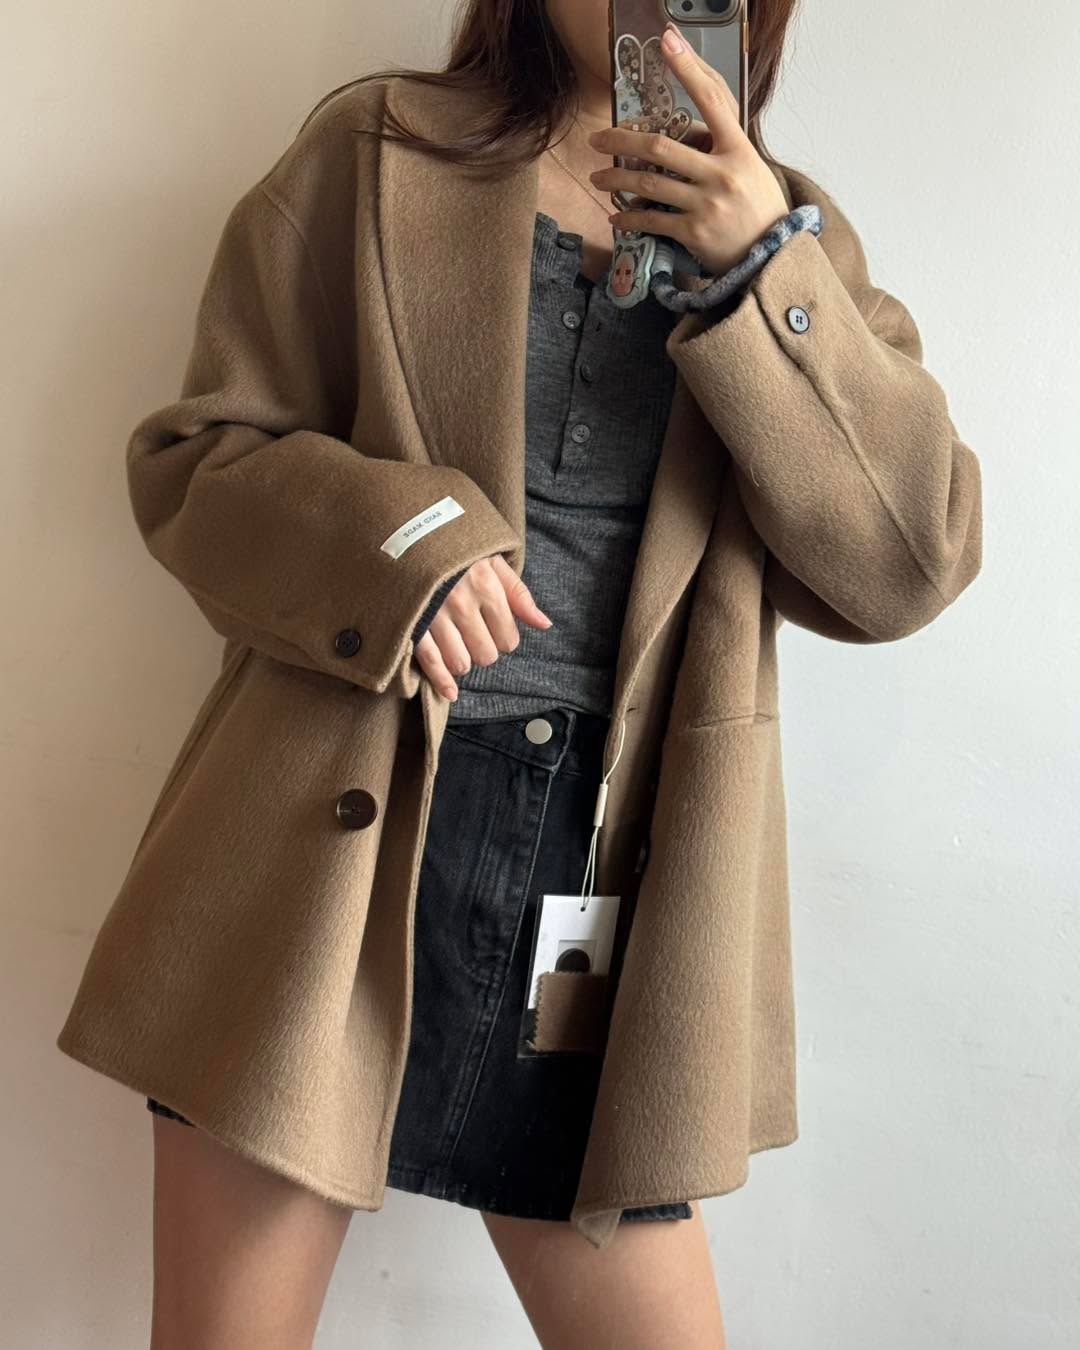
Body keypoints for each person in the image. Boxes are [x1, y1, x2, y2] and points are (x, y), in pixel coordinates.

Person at [56, 2, 983, 1346]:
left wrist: (759, 271)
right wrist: (409, 549)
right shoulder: (378, 151)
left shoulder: (802, 246)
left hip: (608, 877)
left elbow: (906, 564)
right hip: (325, 856)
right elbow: (197, 463)